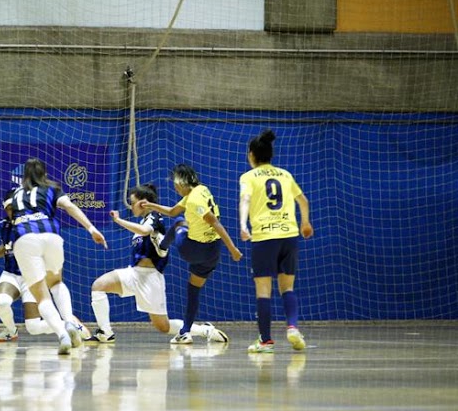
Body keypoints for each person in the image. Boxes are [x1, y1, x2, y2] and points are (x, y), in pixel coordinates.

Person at [87, 184, 227, 344]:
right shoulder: (142, 221)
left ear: (142, 203)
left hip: (150, 279)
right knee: (98, 286)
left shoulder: (155, 217)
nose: (131, 206)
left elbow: (145, 231)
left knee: (163, 327)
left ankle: (204, 330)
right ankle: (105, 332)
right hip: (134, 273)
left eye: (132, 202)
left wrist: (118, 220)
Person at [7, 158, 107, 354]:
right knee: (56, 283)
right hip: (51, 236)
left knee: (41, 295)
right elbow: (70, 207)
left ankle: (62, 335)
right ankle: (69, 321)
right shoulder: (52, 188)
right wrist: (91, 228)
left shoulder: (14, 194)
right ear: (44, 174)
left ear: (24, 176)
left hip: (24, 239)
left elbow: (11, 217)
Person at [138, 164, 242, 345]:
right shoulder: (201, 190)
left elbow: (214, 222)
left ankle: (161, 246)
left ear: (183, 182)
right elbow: (171, 210)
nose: (175, 188)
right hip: (212, 253)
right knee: (193, 290)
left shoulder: (194, 200)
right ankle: (185, 332)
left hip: (194, 250)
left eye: (176, 185)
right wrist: (151, 205)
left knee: (179, 222)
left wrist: (233, 248)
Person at [0, 190, 89, 342]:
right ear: (5, 209)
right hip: (11, 274)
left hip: (31, 277)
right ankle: (11, 331)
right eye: (9, 208)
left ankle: (70, 324)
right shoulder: (4, 225)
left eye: (15, 207)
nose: (13, 211)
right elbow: (6, 247)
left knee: (34, 327)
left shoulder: (35, 225)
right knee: (2, 301)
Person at [239, 129, 313, 353]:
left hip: (264, 237)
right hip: (289, 236)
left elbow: (245, 199)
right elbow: (303, 200)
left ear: (252, 155)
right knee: (287, 288)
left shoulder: (248, 177)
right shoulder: (285, 174)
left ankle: (265, 340)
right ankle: (292, 327)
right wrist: (305, 223)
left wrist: (243, 225)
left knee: (263, 290)